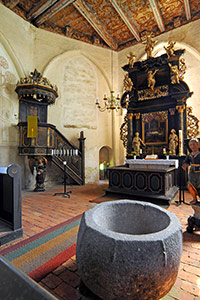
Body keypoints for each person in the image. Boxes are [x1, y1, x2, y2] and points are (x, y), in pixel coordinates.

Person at [182, 138, 200, 205]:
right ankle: (194, 198)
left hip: (199, 174)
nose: (192, 146)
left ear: (198, 145)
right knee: (190, 186)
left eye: (194, 144)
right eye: (191, 145)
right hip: (192, 173)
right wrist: (185, 165)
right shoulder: (189, 155)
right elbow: (187, 162)